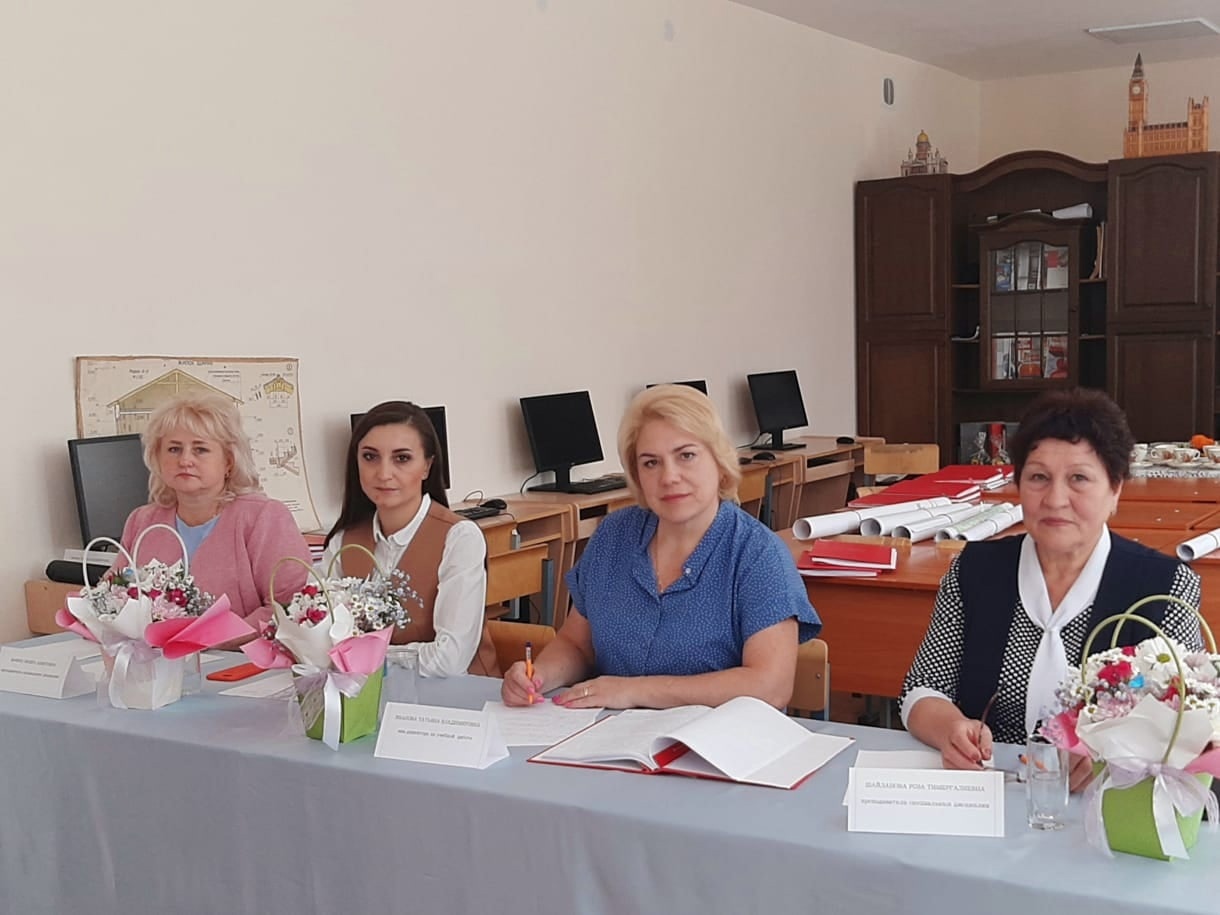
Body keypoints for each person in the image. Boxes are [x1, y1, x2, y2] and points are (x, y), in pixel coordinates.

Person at [901, 388, 1202, 790]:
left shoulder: (1164, 586)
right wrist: (951, 730)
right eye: (1039, 478)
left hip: (1106, 802)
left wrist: (1111, 755)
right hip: (987, 792)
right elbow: (922, 689)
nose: (1055, 499)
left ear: (1115, 489)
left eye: (1079, 478)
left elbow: (1188, 720)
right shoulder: (974, 570)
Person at [501, 384, 821, 710]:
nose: (669, 477)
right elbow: (576, 644)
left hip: (715, 738)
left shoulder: (758, 555)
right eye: (651, 463)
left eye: (686, 455)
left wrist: (634, 691)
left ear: (719, 460)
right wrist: (539, 675)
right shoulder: (613, 536)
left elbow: (770, 687)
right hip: (611, 734)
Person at [322, 401, 499, 677]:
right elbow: (320, 636)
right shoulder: (343, 540)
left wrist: (359, 656)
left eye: (402, 458)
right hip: (367, 694)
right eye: (370, 457)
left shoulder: (459, 538)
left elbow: (450, 659)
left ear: (427, 466)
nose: (383, 473)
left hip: (452, 696)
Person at [119, 391, 314, 630]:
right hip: (153, 650)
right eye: (174, 449)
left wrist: (214, 637)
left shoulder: (265, 517)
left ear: (228, 462)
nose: (185, 460)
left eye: (200, 449)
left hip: (238, 651)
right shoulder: (142, 520)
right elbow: (114, 595)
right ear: (157, 458)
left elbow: (290, 604)